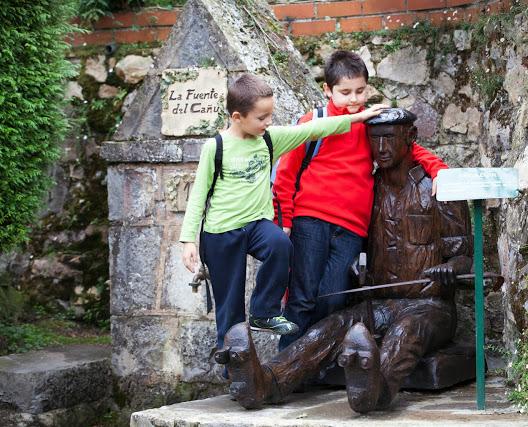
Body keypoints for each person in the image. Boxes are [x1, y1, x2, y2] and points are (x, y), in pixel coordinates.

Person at [215, 108, 473, 413]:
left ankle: (376, 392)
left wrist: (450, 268)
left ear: (411, 138)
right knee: (329, 327)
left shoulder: (440, 187)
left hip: (430, 307)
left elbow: (463, 257)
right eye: (374, 141)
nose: (381, 149)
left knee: (406, 332)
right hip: (378, 305)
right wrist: (356, 264)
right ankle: (267, 381)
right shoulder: (369, 188)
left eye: (389, 139)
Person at [179, 74, 386, 349]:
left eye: (270, 116)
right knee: (229, 308)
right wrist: (188, 240)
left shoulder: (269, 140)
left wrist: (358, 118)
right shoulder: (215, 147)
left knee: (280, 245)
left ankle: (264, 311)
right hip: (221, 232)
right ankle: (232, 363)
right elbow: (198, 196)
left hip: (256, 226)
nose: (268, 123)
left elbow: (316, 128)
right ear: (238, 117)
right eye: (262, 118)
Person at [274, 51, 449, 349]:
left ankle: (314, 361)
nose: (354, 99)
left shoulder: (373, 124)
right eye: (344, 93)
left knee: (334, 297)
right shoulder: (313, 121)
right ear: (328, 90)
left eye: (360, 91)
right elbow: (285, 176)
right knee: (302, 296)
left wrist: (438, 169)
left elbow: (410, 150)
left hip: (353, 229)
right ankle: (284, 361)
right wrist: (285, 222)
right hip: (310, 220)